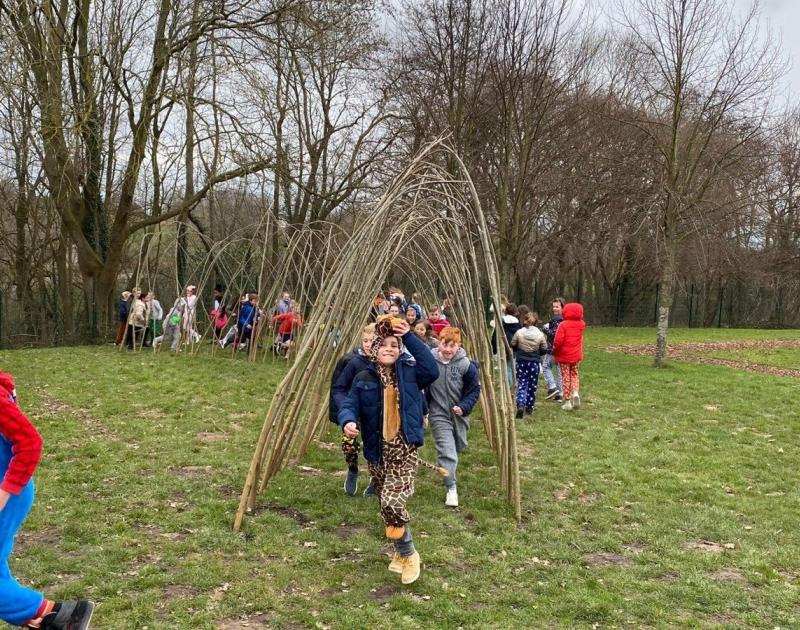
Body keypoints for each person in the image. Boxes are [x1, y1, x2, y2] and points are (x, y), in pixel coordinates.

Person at [337, 316, 438, 585]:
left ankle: (410, 553)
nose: (391, 349)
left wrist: (411, 338)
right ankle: (399, 554)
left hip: (404, 451)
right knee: (386, 507)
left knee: (393, 502)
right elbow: (349, 404)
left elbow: (432, 370)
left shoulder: (410, 372)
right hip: (377, 453)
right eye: (385, 345)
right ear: (374, 349)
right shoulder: (363, 377)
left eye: (396, 345)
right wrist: (347, 420)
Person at [0, 371, 95, 629]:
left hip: (8, 492)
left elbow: (30, 442)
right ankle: (52, 620)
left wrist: (4, 493)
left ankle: (62, 616)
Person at [427, 327, 480, 508]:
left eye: (453, 345)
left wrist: (463, 407)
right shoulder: (430, 361)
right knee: (447, 450)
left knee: (458, 445)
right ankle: (451, 488)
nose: (448, 349)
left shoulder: (466, 365)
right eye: (445, 344)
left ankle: (450, 466)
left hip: (459, 415)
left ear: (459, 346)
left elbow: (473, 391)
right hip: (438, 412)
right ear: (438, 343)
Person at [329, 324, 376, 497]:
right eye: (365, 340)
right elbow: (339, 387)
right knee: (349, 443)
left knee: (376, 447)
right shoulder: (353, 362)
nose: (368, 344)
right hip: (354, 411)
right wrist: (345, 409)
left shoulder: (386, 362)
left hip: (375, 413)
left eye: (372, 341)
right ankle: (353, 469)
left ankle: (375, 477)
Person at [511, 312, 547, 418]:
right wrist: (537, 354)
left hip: (521, 362)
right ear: (536, 322)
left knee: (522, 383)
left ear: (525, 320)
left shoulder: (519, 332)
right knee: (532, 385)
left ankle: (520, 404)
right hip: (534, 363)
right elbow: (544, 349)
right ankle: (530, 406)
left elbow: (513, 344)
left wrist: (518, 350)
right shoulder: (540, 334)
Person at [552, 302, 585, 411]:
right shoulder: (581, 324)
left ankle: (567, 401)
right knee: (574, 374)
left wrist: (554, 351)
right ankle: (575, 392)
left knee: (565, 377)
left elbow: (558, 341)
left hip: (564, 356)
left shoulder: (563, 325)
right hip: (576, 355)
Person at [542, 297, 565, 401]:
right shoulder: (565, 320)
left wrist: (545, 329)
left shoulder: (557, 320)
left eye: (557, 307)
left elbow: (555, 335)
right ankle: (560, 394)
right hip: (563, 350)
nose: (555, 309)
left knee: (546, 366)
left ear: (562, 307)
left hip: (553, 349)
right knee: (560, 371)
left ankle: (552, 387)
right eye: (554, 307)